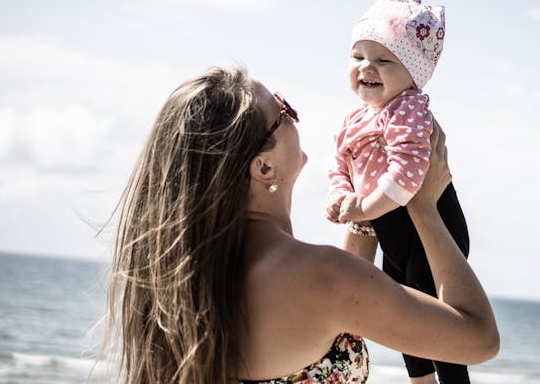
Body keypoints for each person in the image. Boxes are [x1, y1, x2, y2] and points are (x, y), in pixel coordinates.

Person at [102, 66, 498, 384]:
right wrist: (423, 205)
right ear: (264, 167)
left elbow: (342, 301)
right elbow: (479, 339)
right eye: (284, 112)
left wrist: (370, 191)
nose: (296, 117)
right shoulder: (324, 278)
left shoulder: (186, 282)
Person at [325, 0, 473, 383]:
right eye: (358, 57)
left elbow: (409, 175)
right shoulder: (356, 118)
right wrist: (340, 196)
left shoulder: (408, 109)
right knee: (403, 309)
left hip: (433, 227)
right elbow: (340, 163)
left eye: (384, 59)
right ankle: (421, 381)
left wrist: (364, 207)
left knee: (436, 318)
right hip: (393, 229)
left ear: (413, 74)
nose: (367, 67)